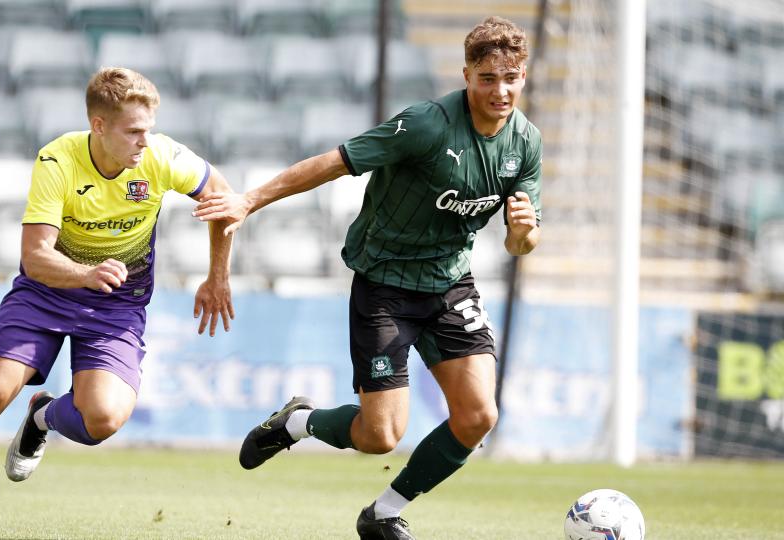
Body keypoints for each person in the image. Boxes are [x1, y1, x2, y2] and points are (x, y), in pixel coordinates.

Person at [193, 16, 542, 540]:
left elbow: (520, 244)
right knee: (380, 436)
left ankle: (383, 513)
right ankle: (297, 423)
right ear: (466, 73)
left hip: (450, 284)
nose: (501, 89)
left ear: (523, 75)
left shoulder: (526, 143)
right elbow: (334, 162)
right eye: (488, 77)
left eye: (511, 77)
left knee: (477, 416)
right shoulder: (426, 124)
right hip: (385, 285)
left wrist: (522, 235)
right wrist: (250, 200)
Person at [0, 67, 236, 539]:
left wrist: (217, 276)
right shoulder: (57, 160)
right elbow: (35, 257)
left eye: (150, 129)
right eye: (134, 131)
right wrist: (85, 273)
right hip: (46, 294)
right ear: (99, 126)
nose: (146, 141)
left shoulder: (163, 157)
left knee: (101, 420)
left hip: (117, 306)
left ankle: (42, 417)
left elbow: (224, 199)